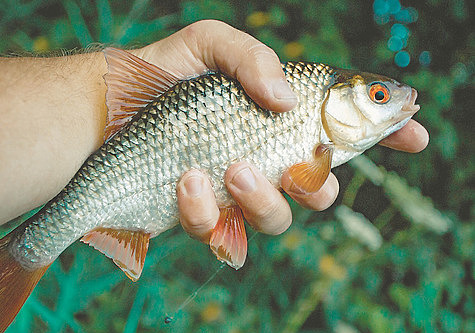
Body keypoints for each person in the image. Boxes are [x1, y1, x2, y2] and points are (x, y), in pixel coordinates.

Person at [0, 20, 428, 244]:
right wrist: (92, 99)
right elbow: (303, 180)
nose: (393, 102)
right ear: (334, 95)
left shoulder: (321, 137)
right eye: (377, 95)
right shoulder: (305, 108)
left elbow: (303, 180)